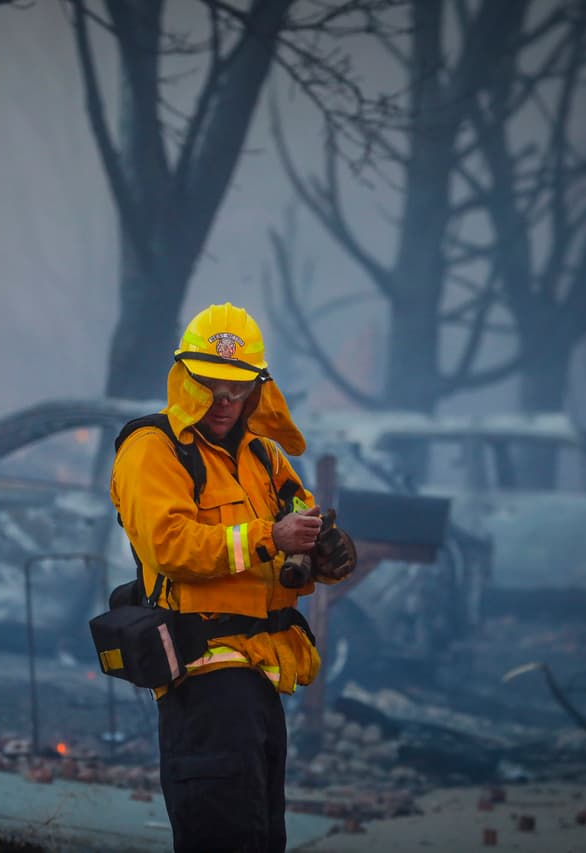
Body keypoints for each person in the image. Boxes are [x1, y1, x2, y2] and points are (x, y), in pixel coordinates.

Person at [109, 302, 358, 852]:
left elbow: (307, 528)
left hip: (260, 680)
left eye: (237, 390)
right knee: (224, 838)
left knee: (260, 838)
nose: (224, 403)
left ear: (257, 389)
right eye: (211, 387)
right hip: (204, 678)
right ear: (185, 379)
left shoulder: (264, 457)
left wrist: (329, 552)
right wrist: (273, 536)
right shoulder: (152, 449)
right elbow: (171, 546)